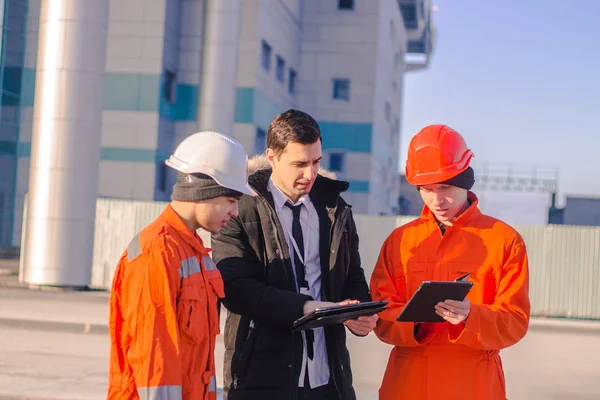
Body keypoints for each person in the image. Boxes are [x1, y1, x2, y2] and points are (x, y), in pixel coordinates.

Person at [211, 109, 378, 400]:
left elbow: (352, 274)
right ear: (272, 157)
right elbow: (235, 289)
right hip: (262, 376)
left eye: (316, 162)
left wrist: (359, 311)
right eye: (299, 163)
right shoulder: (238, 207)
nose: (310, 173)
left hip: (328, 378)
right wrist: (305, 307)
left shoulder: (335, 208)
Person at [370, 124, 530, 400]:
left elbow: (515, 322)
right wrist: (416, 323)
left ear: (466, 180)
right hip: (408, 385)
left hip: (474, 386)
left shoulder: (504, 241)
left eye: (444, 187)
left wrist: (471, 315)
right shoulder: (400, 242)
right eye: (426, 189)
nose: (436, 200)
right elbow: (381, 316)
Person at [107, 131, 256, 400]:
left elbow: (199, 363)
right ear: (205, 192)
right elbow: (153, 359)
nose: (235, 212)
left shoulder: (195, 252)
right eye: (231, 201)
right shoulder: (157, 252)